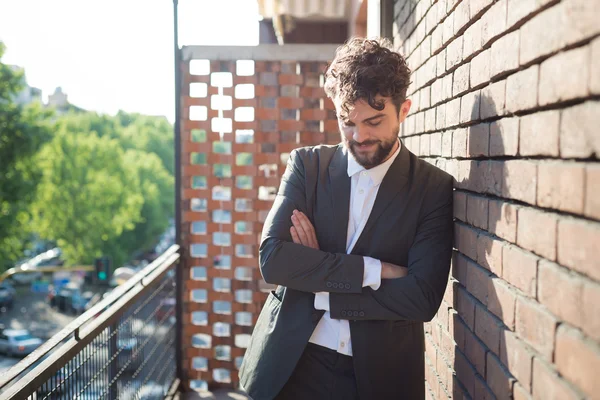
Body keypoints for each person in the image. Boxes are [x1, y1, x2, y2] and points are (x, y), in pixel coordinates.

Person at [239, 37, 454, 400]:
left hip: (375, 378)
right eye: (347, 121)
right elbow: (273, 260)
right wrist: (373, 271)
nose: (360, 136)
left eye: (374, 121)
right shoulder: (307, 166)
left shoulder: (432, 188)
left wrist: (318, 277)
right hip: (290, 365)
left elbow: (422, 297)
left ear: (404, 110)